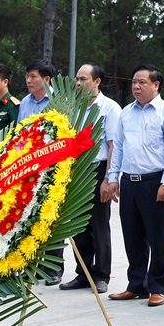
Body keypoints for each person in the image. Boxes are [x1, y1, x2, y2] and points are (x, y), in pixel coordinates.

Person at [106, 63, 164, 306]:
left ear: (156, 85)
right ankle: (136, 284)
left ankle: (158, 286)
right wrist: (112, 178)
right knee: (133, 236)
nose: (136, 87)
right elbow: (117, 147)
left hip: (154, 182)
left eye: (142, 82)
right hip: (129, 181)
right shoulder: (126, 112)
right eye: (134, 82)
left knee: (158, 237)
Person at [59, 64, 122, 295]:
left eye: (83, 79)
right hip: (76, 170)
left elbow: (114, 145)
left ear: (97, 82)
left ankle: (101, 274)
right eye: (76, 78)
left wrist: (109, 178)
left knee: (99, 225)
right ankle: (83, 273)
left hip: (97, 169)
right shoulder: (73, 107)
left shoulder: (110, 108)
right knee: (78, 226)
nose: (78, 83)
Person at [16, 59, 61, 284]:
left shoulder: (59, 100)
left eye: (33, 76)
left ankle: (53, 268)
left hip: (52, 167)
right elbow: (19, 133)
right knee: (30, 217)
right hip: (28, 168)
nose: (28, 80)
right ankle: (31, 264)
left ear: (46, 79)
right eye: (27, 76)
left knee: (52, 217)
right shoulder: (25, 102)